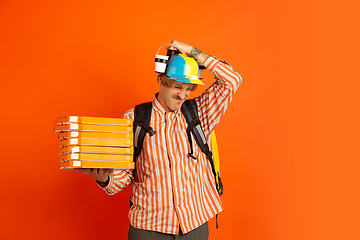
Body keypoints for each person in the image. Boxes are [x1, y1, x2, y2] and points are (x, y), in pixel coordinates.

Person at [76, 40, 242, 240]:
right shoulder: (134, 118)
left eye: (188, 89)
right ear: (161, 79)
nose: (182, 95)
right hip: (149, 229)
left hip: (195, 225)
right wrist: (105, 179)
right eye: (177, 87)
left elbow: (232, 79)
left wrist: (192, 51)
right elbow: (126, 174)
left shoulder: (201, 113)